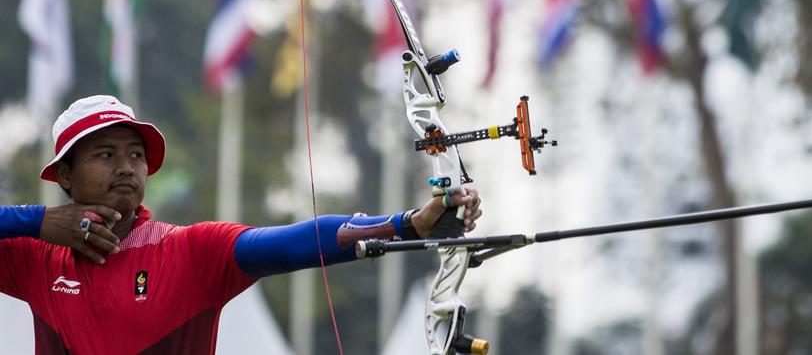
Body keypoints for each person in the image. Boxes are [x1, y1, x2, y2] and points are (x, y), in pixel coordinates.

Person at [0, 94, 481, 354]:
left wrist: (408, 224)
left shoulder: (189, 251)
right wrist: (39, 221)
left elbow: (294, 242)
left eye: (136, 155)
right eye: (106, 155)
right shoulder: (34, 258)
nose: (127, 168)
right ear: (65, 175)